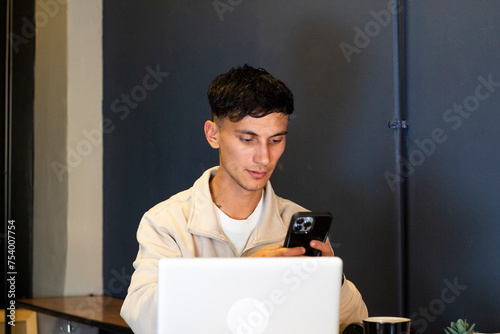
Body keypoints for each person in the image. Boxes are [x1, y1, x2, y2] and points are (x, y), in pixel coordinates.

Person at [120, 64, 368, 333]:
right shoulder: (167, 222)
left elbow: (355, 322)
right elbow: (143, 317)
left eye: (275, 140)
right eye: (248, 139)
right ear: (213, 134)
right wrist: (247, 273)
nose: (264, 157)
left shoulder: (294, 222)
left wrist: (332, 279)